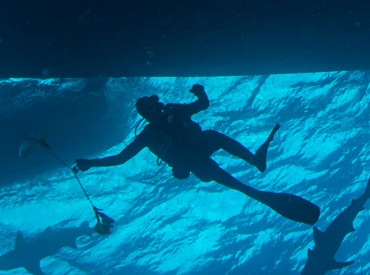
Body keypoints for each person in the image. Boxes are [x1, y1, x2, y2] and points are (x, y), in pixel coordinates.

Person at [75, 85, 321, 226]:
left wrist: (200, 92)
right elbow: (120, 158)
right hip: (195, 162)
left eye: (156, 104)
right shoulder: (151, 132)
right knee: (242, 185)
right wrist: (90, 163)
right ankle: (254, 163)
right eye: (153, 106)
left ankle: (254, 160)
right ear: (149, 111)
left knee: (220, 148)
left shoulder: (171, 114)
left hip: (199, 157)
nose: (158, 107)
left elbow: (202, 105)